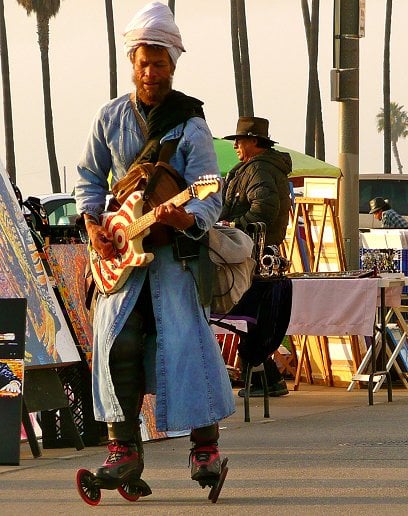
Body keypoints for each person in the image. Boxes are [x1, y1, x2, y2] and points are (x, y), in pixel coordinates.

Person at [74, 2, 234, 491]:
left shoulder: (191, 124)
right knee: (115, 344)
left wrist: (187, 216)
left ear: (173, 65)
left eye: (159, 63)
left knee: (186, 346)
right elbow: (87, 178)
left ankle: (204, 450)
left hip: (173, 260)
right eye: (142, 62)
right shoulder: (110, 119)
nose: (150, 71)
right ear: (132, 63)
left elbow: (210, 187)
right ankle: (123, 451)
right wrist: (92, 224)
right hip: (121, 263)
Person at [219, 116, 292, 398]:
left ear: (253, 141)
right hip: (256, 254)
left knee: (246, 316)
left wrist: (231, 228)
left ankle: (265, 378)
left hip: (252, 256)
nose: (236, 145)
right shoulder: (253, 169)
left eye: (239, 140)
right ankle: (267, 379)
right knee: (252, 322)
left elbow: (263, 210)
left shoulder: (259, 170)